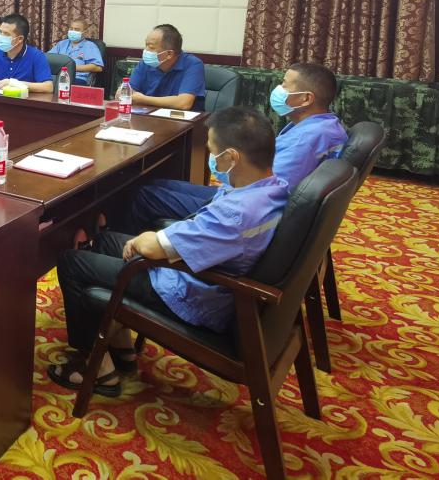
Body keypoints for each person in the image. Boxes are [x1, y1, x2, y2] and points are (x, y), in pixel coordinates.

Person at [48, 107, 290, 396]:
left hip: (193, 292)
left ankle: (98, 370)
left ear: (232, 158)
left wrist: (147, 239)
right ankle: (122, 348)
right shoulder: (272, 189)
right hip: (207, 275)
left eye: (213, 152)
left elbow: (153, 248)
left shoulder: (237, 214)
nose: (211, 158)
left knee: (71, 262)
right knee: (105, 241)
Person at [124, 62, 346, 232]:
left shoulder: (308, 139)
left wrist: (227, 165)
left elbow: (268, 189)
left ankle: (127, 254)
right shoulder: (323, 126)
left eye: (285, 84)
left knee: (144, 195)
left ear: (305, 99)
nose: (278, 88)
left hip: (242, 208)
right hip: (240, 197)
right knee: (157, 183)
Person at [0, 12, 53, 94]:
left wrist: (16, 84)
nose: (1, 36)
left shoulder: (36, 56)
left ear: (20, 39)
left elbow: (48, 87)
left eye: (6, 34)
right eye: (0, 32)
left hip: (23, 101)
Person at [127, 24, 206, 111]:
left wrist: (143, 99)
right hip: (148, 116)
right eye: (146, 45)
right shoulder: (145, 63)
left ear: (169, 54)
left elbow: (183, 103)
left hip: (180, 118)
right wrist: (123, 93)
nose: (145, 50)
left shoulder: (193, 64)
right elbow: (126, 93)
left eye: (151, 47)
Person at [48, 18, 104, 84]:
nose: (73, 31)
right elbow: (49, 58)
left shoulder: (90, 46)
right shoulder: (62, 44)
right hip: (57, 76)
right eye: (71, 29)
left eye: (77, 29)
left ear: (85, 32)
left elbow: (98, 67)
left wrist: (73, 68)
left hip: (77, 78)